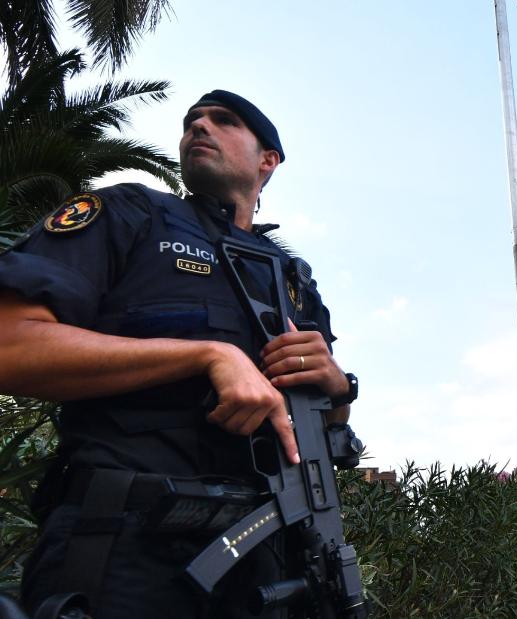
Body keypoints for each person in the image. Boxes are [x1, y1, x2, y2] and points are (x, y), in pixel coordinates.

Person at [0, 90, 359, 618]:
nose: (199, 127)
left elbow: (325, 429)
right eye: (192, 121)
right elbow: (11, 343)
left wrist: (338, 385)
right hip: (127, 547)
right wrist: (202, 356)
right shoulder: (131, 214)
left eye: (224, 121)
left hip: (279, 561)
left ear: (268, 161)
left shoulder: (294, 282)